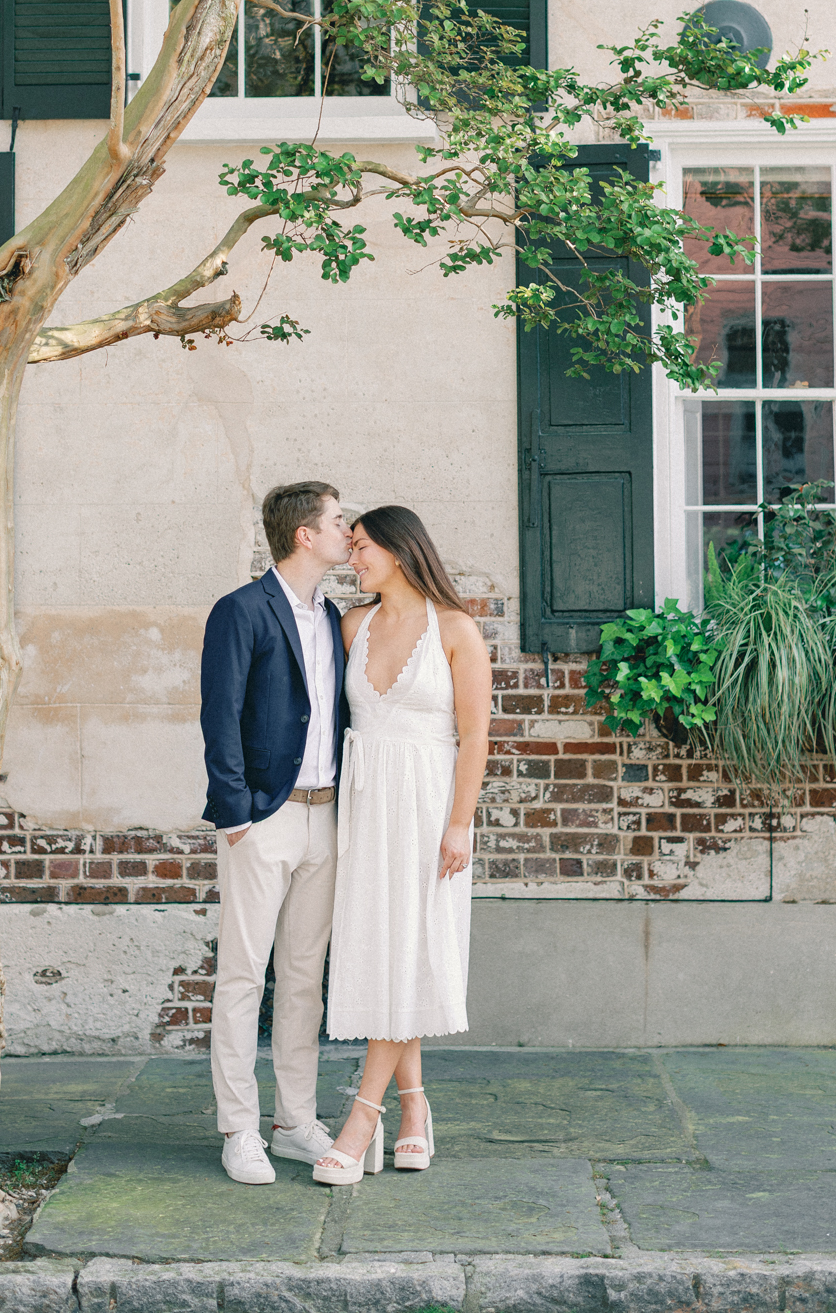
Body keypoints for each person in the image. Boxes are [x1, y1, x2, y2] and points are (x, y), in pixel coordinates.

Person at [312, 505, 492, 1184]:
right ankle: (413, 1105)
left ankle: (363, 1117)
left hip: (426, 808)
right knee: (386, 954)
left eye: (361, 548)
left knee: (411, 948)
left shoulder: (456, 629)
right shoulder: (353, 625)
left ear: (398, 548)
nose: (352, 559)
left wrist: (459, 823)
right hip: (363, 807)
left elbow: (474, 735)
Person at [199, 480, 352, 1186]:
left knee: (301, 979)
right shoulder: (241, 611)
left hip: (325, 818)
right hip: (263, 819)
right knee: (242, 976)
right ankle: (238, 1127)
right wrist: (236, 817)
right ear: (305, 536)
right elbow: (219, 715)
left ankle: (294, 1120)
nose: (348, 532)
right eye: (339, 521)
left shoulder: (337, 618)